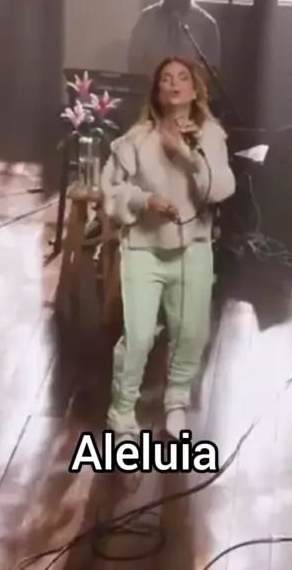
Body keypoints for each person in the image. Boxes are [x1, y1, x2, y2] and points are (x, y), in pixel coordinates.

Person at [101, 56, 235, 440]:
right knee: (139, 336)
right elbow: (111, 189)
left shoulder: (210, 136)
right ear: (157, 92)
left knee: (190, 331)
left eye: (182, 78)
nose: (174, 84)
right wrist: (146, 201)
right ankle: (121, 412)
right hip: (144, 247)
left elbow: (220, 189)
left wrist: (190, 154)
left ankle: (176, 402)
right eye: (165, 79)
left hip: (193, 247)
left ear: (195, 90)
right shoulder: (136, 139)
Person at [127, 0, 221, 76]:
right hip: (151, 84)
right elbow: (134, 62)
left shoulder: (207, 24)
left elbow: (210, 69)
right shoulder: (147, 18)